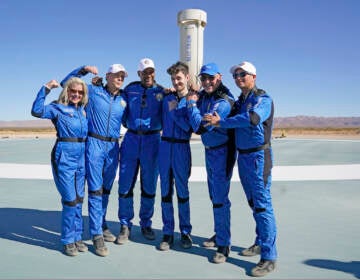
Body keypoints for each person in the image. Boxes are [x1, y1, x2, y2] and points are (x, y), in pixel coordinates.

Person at [204, 61, 277, 277]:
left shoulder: (262, 99)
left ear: (253, 76)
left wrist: (222, 123)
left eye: (242, 74)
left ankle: (269, 256)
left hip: (258, 157)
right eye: (235, 75)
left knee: (262, 205)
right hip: (243, 158)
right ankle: (259, 242)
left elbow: (252, 118)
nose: (238, 78)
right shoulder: (239, 102)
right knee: (253, 202)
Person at [61, 64, 128, 257]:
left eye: (122, 76)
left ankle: (101, 224)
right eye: (116, 75)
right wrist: (83, 70)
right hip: (94, 144)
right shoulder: (93, 91)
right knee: (95, 191)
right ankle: (95, 235)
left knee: (106, 190)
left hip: (114, 147)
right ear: (107, 76)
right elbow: (67, 84)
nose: (120, 79)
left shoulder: (124, 98)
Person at [31, 77, 89, 257]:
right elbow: (37, 111)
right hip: (64, 155)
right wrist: (46, 88)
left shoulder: (82, 111)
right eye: (73, 91)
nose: (76, 95)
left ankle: (77, 236)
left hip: (81, 156)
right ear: (67, 91)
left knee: (79, 199)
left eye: (80, 92)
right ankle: (67, 240)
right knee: (70, 201)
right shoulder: (57, 108)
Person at [186, 62, 235, 263]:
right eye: (203, 78)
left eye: (210, 78)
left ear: (219, 77)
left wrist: (190, 104)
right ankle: (219, 233)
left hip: (223, 152)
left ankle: (224, 245)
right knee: (214, 195)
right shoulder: (206, 97)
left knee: (220, 198)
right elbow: (198, 110)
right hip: (210, 152)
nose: (207, 82)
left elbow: (201, 127)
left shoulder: (223, 102)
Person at [115, 58, 164, 244]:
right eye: (145, 72)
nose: (148, 75)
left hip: (153, 141)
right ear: (139, 74)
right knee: (125, 184)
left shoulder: (162, 92)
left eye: (151, 71)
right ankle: (125, 225)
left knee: (149, 185)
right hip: (131, 139)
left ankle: (146, 223)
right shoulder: (129, 90)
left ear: (155, 72)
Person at [158, 61, 193, 251]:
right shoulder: (166, 98)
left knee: (182, 192)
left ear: (187, 77)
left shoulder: (193, 100)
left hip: (181, 148)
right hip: (164, 147)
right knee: (165, 192)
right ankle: (168, 232)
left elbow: (190, 127)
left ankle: (185, 232)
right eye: (173, 78)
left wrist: (175, 112)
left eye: (179, 78)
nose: (176, 81)